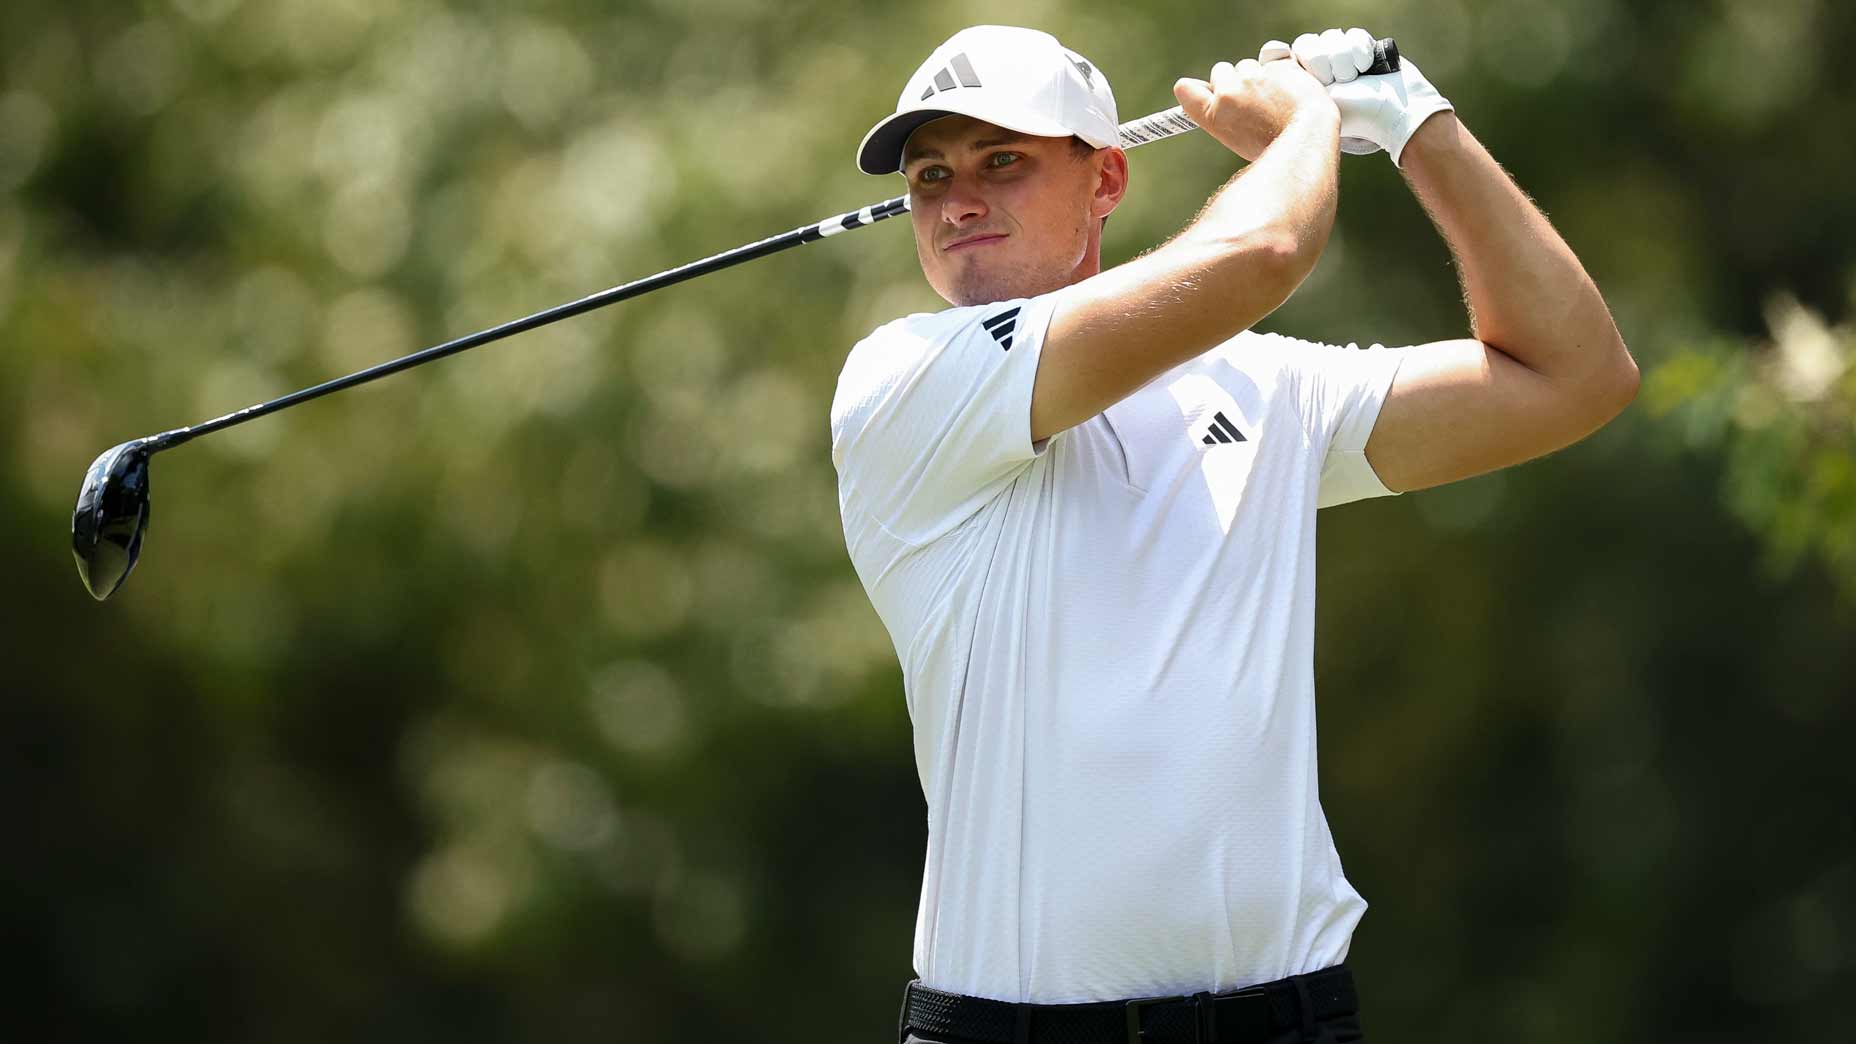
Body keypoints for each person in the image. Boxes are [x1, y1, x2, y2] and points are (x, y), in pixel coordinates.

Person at [829, 24, 1636, 1044]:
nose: (958, 203)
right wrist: (1303, 125)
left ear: (1105, 181)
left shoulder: (1269, 389)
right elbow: (1260, 251)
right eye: (929, 176)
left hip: (1285, 1022)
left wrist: (1416, 124)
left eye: (1003, 161)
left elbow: (1574, 379)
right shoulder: (902, 381)